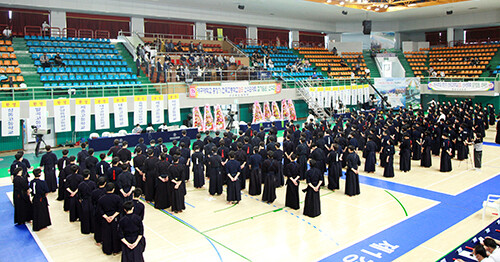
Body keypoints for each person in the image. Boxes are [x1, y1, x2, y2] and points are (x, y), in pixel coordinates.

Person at [97, 183, 122, 255]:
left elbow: (100, 210)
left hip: (105, 218)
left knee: (106, 234)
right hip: (115, 218)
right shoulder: (117, 198)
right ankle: (116, 250)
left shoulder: (101, 199)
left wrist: (106, 217)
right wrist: (113, 216)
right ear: (113, 189)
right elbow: (119, 209)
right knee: (115, 233)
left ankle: (107, 250)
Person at [78, 169, 97, 234]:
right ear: (89, 175)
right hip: (91, 201)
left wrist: (81, 200)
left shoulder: (80, 185)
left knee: (85, 216)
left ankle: (86, 230)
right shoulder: (93, 183)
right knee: (92, 216)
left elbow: (79, 195)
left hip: (84, 201)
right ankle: (93, 229)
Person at [92, 177, 107, 245]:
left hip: (97, 210)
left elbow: (92, 201)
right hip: (105, 210)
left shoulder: (94, 192)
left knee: (98, 226)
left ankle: (98, 240)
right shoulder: (106, 191)